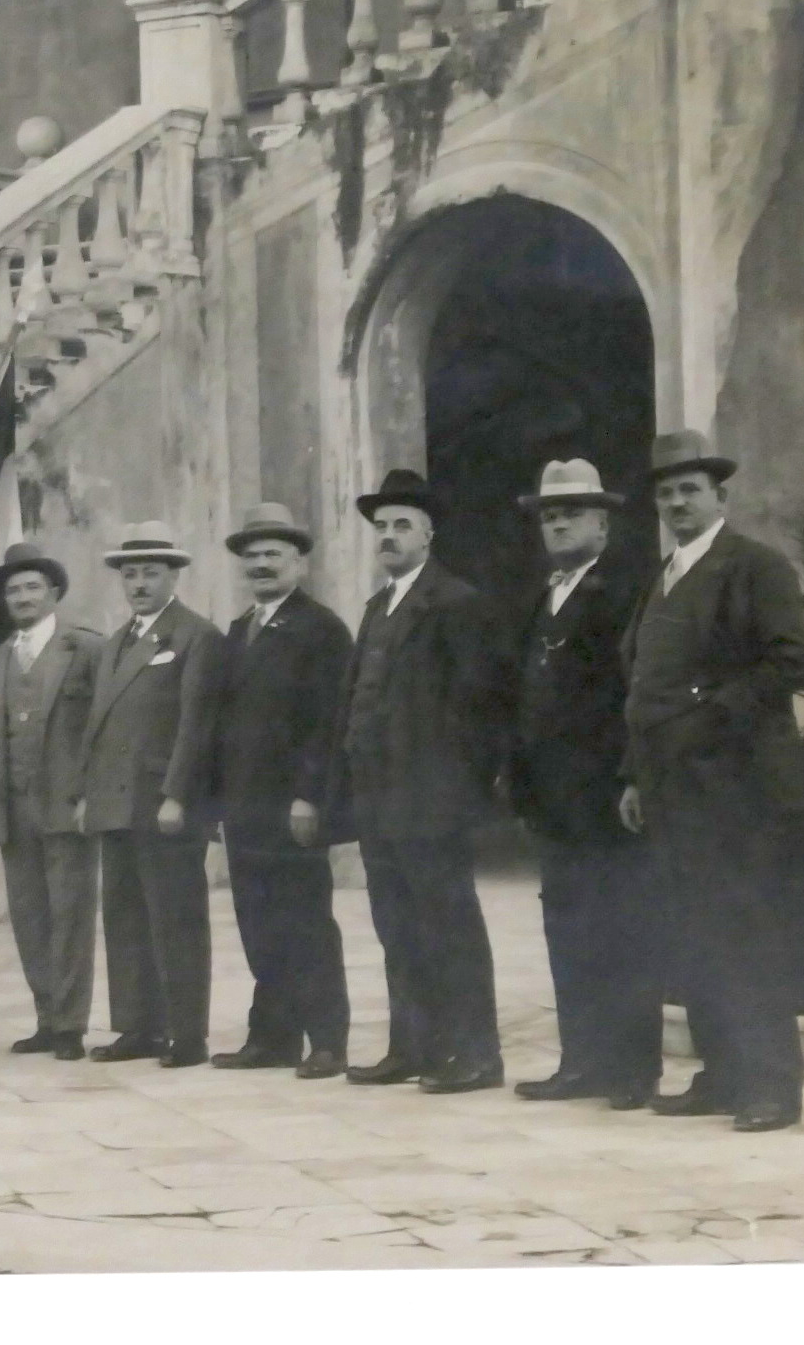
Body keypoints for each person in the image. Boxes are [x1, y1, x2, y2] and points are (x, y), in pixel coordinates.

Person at [619, 431, 804, 1133]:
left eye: (689, 489)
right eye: (665, 492)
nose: (676, 501)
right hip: (671, 789)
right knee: (694, 932)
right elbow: (642, 683)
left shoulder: (753, 567)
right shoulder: (662, 576)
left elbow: (788, 659)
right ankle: (720, 1073)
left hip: (739, 790)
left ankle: (770, 1086)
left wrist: (708, 716)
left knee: (747, 931)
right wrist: (633, 775)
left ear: (718, 495)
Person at [329, 469, 510, 1094]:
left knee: (448, 925)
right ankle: (414, 1046)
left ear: (429, 535)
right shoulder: (378, 607)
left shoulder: (455, 603)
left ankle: (475, 1055)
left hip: (430, 799)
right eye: (381, 527)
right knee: (396, 927)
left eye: (402, 525)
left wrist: (458, 790)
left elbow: (478, 709)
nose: (389, 535)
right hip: (379, 799)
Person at [507, 461, 661, 1111]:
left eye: (572, 511)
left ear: (603, 522)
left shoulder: (626, 590)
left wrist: (631, 774)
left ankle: (630, 1069)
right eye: (548, 513)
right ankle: (581, 1060)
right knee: (566, 927)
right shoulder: (542, 597)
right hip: (554, 799)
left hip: (603, 796)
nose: (558, 521)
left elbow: (638, 691)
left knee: (621, 927)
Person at [206, 503, 354, 1080]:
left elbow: (327, 722)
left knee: (306, 920)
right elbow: (224, 724)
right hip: (244, 807)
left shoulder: (321, 629)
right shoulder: (240, 630)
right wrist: (218, 802)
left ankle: (327, 1040)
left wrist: (309, 796)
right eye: (253, 555)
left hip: (290, 805)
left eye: (274, 554)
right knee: (257, 922)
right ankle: (272, 1037)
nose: (261, 564)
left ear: (300, 563)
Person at [77, 521, 220, 1069]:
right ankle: (139, 1028)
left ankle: (187, 1035)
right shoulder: (117, 642)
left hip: (163, 805)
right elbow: (100, 726)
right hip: (117, 804)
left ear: (173, 576)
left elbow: (195, 725)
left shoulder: (193, 635)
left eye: (150, 573)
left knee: (176, 920)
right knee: (125, 919)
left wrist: (178, 795)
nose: (138, 583)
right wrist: (88, 794)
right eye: (130, 574)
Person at [0, 542, 103, 1061]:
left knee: (70, 913)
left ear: (54, 593)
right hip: (14, 805)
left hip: (66, 803)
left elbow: (102, 727)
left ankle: (71, 1025)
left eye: (32, 587)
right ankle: (45, 1018)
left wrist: (89, 795)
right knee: (29, 915)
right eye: (13, 589)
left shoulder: (86, 649)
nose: (23, 597)